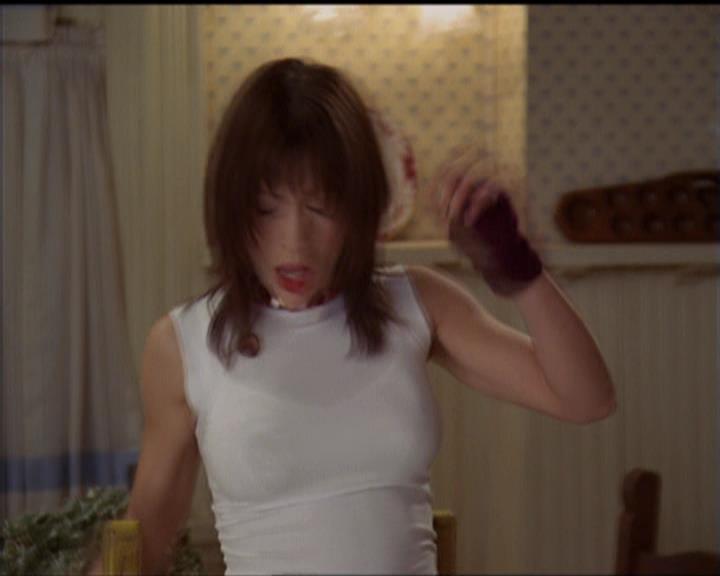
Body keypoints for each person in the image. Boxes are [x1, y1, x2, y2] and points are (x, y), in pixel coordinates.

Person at [88, 57, 616, 575]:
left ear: (359, 207)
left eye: (320, 207)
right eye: (267, 209)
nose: (294, 242)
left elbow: (586, 398)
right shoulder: (184, 343)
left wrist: (518, 269)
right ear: (231, 208)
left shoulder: (416, 302)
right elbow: (146, 535)